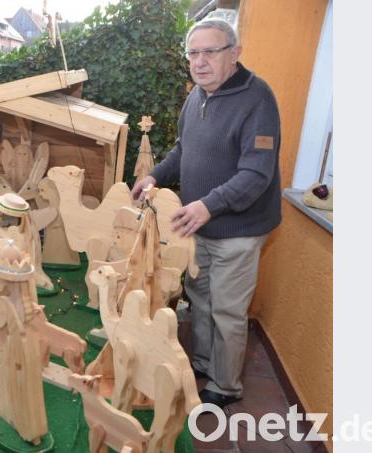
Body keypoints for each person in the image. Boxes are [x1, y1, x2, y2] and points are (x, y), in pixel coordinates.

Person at [131, 18, 281, 408]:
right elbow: (184, 150)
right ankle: (202, 362)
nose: (199, 62)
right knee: (201, 299)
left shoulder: (257, 99)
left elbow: (256, 174)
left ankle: (225, 385)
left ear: (234, 54)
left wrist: (208, 205)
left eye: (210, 52)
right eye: (193, 53)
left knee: (228, 310)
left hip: (238, 229)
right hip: (198, 225)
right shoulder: (196, 96)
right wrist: (154, 176)